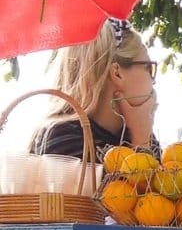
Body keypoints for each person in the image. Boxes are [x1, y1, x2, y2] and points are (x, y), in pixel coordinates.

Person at [28, 18, 160, 160]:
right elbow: (120, 183)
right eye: (148, 67)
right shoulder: (62, 138)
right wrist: (141, 139)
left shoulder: (134, 132)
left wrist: (142, 134)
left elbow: (167, 182)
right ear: (117, 73)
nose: (153, 81)